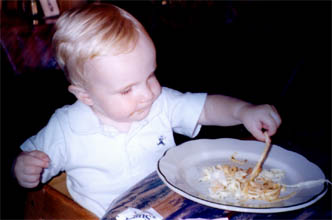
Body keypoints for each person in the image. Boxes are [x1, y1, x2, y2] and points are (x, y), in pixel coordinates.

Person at [13, 3, 281, 218]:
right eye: (127, 89)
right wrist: (23, 168)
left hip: (170, 205)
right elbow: (31, 161)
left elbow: (207, 108)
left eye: (150, 75)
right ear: (86, 96)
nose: (148, 93)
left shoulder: (159, 103)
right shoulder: (65, 128)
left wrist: (243, 112)